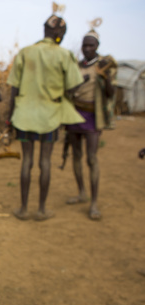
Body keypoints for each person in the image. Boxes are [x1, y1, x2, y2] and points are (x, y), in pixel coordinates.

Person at [6, 13, 84, 221]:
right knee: (45, 162)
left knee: (27, 162)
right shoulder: (64, 55)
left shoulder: (25, 52)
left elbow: (13, 89)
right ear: (59, 34)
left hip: (23, 116)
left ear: (45, 30)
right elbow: (75, 85)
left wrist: (9, 118)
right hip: (50, 116)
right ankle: (41, 210)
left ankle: (23, 209)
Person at [65, 24, 116, 221]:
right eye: (84, 45)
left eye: (91, 45)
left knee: (91, 159)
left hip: (93, 117)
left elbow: (111, 94)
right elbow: (69, 91)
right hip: (74, 115)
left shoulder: (103, 67)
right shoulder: (76, 66)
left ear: (97, 46)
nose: (87, 49)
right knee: (76, 156)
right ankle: (81, 193)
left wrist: (107, 78)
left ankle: (94, 203)